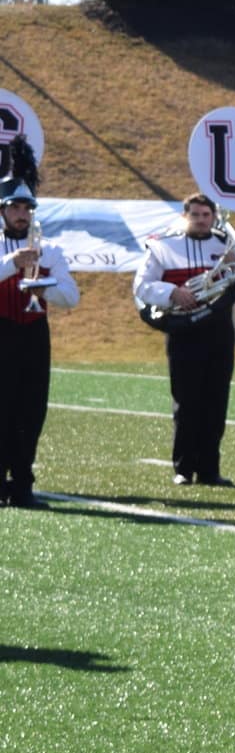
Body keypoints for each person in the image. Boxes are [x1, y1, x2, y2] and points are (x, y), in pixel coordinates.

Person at [134, 192, 235, 485]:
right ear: (185, 216)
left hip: (219, 332)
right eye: (195, 215)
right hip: (183, 331)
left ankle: (210, 469)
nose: (201, 220)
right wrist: (173, 293)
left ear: (213, 217)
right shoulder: (164, 246)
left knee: (216, 401)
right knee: (186, 402)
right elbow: (141, 285)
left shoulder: (226, 246)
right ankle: (184, 468)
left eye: (206, 215)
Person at [0, 139, 78, 507]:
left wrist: (45, 289)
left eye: (26, 208)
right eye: (14, 207)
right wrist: (11, 264)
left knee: (31, 409)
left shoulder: (51, 250)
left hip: (33, 334)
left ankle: (23, 483)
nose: (21, 213)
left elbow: (71, 297)